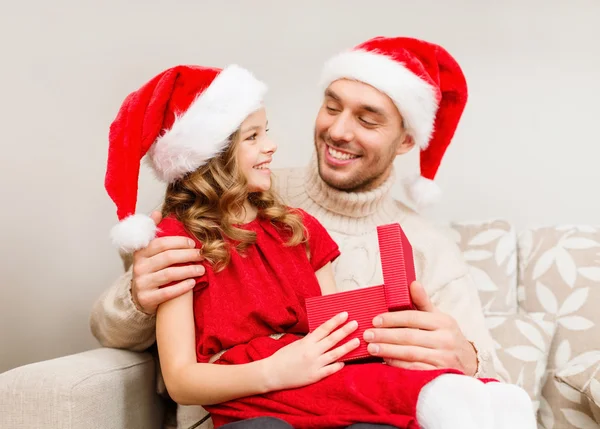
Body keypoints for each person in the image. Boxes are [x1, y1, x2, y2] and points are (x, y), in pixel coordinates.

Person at [92, 37, 530, 428]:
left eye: (368, 120)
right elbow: (121, 335)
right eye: (333, 106)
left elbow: (491, 382)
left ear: (405, 142)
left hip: (343, 400)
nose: (338, 130)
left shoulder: (425, 248)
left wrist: (465, 357)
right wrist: (137, 296)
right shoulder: (216, 208)